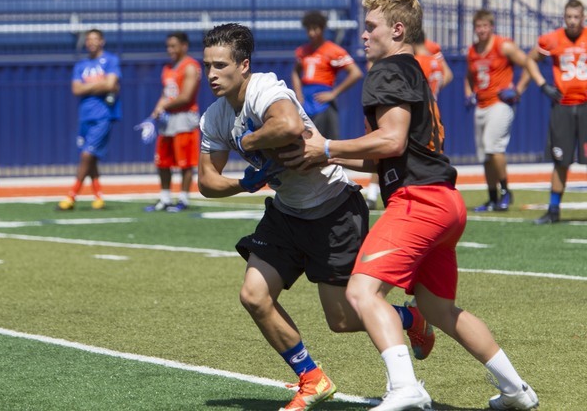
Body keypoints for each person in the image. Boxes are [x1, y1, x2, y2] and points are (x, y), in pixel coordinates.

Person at [282, 0, 538, 411]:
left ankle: (406, 387)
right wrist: (328, 156)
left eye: (371, 27)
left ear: (397, 30)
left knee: (363, 293)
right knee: (439, 310)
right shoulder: (411, 68)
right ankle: (516, 390)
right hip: (444, 200)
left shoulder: (387, 70)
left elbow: (392, 138)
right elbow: (392, 151)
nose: (363, 35)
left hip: (418, 200)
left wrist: (326, 146)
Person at [198, 22, 434, 411]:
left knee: (341, 320)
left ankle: (411, 319)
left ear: (244, 65)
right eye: (207, 65)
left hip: (333, 208)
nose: (211, 75)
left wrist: (249, 141)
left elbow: (288, 124)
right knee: (254, 296)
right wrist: (245, 182)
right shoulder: (215, 116)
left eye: (220, 66)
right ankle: (312, 378)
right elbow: (206, 181)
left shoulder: (265, 89)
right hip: (286, 214)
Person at [365, 31, 452, 210]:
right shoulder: (434, 60)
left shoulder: (414, 62)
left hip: (413, 113)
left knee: (384, 148)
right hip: (431, 112)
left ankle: (373, 193)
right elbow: (448, 76)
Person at [525, 0, 587, 224]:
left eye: (576, 17)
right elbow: (530, 59)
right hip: (563, 106)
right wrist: (542, 85)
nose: (572, 21)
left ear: (583, 17)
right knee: (561, 161)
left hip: (586, 106)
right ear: (564, 17)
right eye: (569, 17)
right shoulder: (552, 39)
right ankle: (553, 210)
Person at [465, 9, 530, 212]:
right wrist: (469, 94)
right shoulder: (473, 50)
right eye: (478, 26)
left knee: (493, 146)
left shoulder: (503, 45)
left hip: (499, 103)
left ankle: (505, 191)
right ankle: (492, 197)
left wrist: (517, 89)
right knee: (484, 154)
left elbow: (529, 63)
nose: (481, 30)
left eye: (485, 26)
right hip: (481, 104)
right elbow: (469, 77)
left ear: (491, 27)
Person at [57, 29, 121, 211]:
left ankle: (72, 195)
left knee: (86, 155)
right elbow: (76, 89)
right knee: (90, 158)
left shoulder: (110, 60)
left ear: (102, 41)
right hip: (85, 116)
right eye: (88, 39)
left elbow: (111, 84)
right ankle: (98, 196)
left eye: (95, 39)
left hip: (103, 116)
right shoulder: (81, 65)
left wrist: (89, 86)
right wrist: (100, 85)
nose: (91, 42)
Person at [144, 32, 202, 213]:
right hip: (168, 119)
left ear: (184, 46)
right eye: (168, 46)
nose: (170, 50)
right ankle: (165, 198)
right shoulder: (168, 68)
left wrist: (164, 106)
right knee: (163, 160)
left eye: (174, 46)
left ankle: (183, 198)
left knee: (185, 162)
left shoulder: (190, 66)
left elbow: (186, 96)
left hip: (184, 118)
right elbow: (166, 93)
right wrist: (156, 109)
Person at [291, 10, 363, 141]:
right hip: (306, 102)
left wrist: (334, 93)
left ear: (322, 29)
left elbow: (356, 73)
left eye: (315, 29)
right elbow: (296, 72)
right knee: (304, 141)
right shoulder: (302, 51)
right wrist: (298, 93)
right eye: (309, 29)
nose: (312, 33)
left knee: (326, 143)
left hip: (322, 101)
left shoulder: (333, 50)